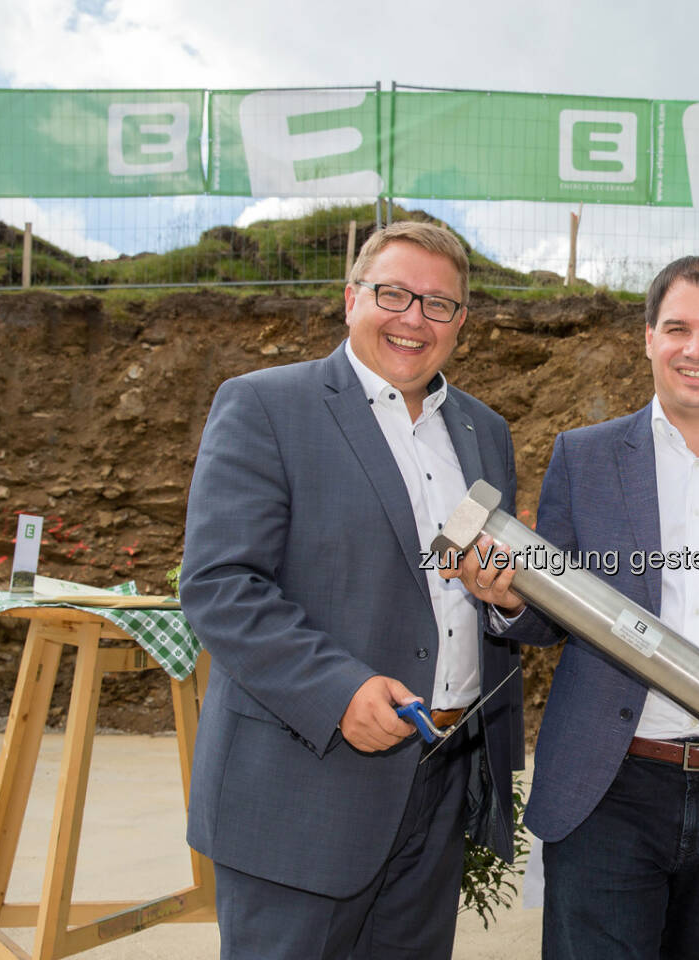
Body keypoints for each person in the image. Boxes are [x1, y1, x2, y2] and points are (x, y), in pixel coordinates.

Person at [461, 255, 699, 960]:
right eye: (678, 329)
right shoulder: (585, 456)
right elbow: (552, 614)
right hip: (609, 788)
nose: (697, 350)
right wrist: (510, 600)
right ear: (648, 337)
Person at [180, 221, 522, 959]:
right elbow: (220, 585)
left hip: (440, 780)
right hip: (305, 787)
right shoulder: (266, 406)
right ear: (349, 299)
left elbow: (494, 590)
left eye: (438, 305)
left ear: (461, 322)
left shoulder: (484, 432)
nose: (413, 319)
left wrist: (508, 599)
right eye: (393, 294)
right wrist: (339, 692)